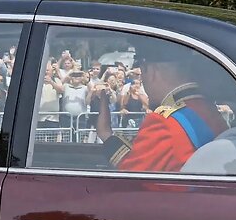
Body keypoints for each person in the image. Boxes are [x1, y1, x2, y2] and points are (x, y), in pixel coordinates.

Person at [96, 38, 228, 172]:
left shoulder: (163, 122)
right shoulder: (207, 108)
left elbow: (133, 172)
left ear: (150, 71)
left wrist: (106, 134)